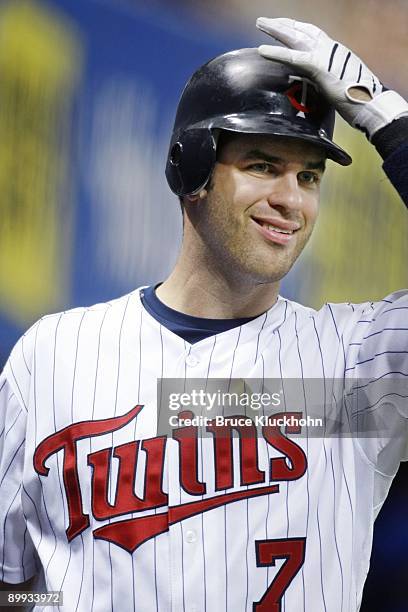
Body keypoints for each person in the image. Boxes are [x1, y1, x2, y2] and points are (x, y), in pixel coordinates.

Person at [0, 17, 407, 612]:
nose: (290, 200)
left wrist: (387, 119)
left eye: (309, 177)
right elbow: (10, 580)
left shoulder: (353, 367)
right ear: (190, 171)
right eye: (263, 166)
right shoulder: (54, 355)